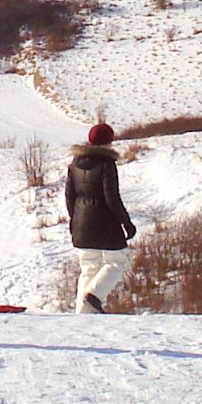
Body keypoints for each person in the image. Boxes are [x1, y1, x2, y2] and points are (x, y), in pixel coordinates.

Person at [67, 122, 136, 314]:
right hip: (104, 223)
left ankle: (83, 313)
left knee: (89, 267)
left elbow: (69, 196)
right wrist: (126, 223)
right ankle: (94, 296)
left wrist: (74, 221)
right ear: (108, 141)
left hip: (81, 224)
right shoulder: (107, 164)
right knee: (116, 261)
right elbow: (112, 197)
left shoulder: (74, 163)